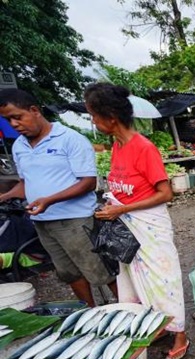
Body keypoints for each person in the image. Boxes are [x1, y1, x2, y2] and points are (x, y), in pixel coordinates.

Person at [84, 83, 189, 359]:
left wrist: (123, 208)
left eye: (93, 115)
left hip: (149, 227)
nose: (92, 121)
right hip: (126, 228)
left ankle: (179, 333)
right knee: (134, 280)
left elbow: (165, 192)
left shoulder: (144, 148)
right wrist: (112, 204)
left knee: (163, 280)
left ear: (111, 118)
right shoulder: (117, 147)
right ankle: (157, 324)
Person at [0, 89, 116, 307]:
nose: (14, 124)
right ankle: (89, 311)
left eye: (17, 117)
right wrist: (5, 196)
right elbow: (25, 184)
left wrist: (49, 200)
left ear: (34, 110)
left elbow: (88, 182)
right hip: (42, 222)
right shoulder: (19, 146)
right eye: (8, 120)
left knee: (99, 269)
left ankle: (130, 311)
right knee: (68, 272)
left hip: (75, 220)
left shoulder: (70, 139)